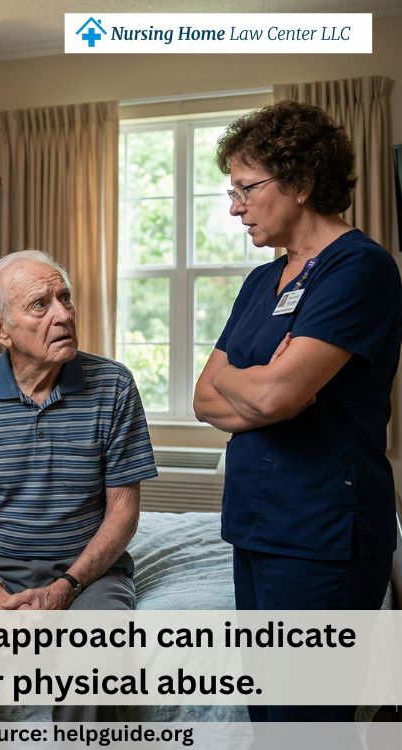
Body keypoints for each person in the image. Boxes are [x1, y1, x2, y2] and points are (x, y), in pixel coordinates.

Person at [193, 101, 402, 722]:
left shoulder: (360, 268)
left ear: (302, 182)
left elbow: (276, 396)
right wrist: (254, 382)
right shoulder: (262, 282)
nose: (235, 207)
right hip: (255, 526)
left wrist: (262, 387)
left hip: (324, 534)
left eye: (245, 189)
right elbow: (207, 396)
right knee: (265, 716)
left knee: (306, 724)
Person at [0, 249, 158, 723]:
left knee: (97, 659)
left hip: (89, 572)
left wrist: (66, 586)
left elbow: (123, 511)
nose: (64, 314)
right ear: (0, 328)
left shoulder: (114, 385)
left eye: (64, 298)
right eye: (40, 305)